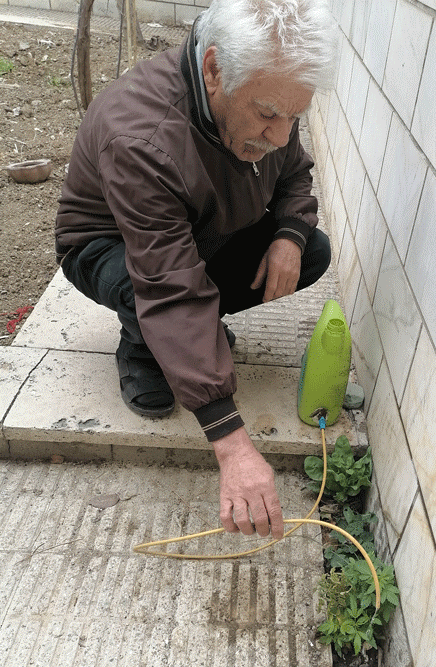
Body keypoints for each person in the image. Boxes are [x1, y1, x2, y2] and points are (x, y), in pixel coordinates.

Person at [54, 0, 337, 542]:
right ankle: (144, 347)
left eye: (294, 116)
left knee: (313, 252)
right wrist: (231, 444)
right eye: (268, 114)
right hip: (110, 244)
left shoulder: (266, 91)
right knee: (156, 297)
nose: (281, 135)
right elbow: (170, 282)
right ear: (213, 71)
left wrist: (290, 235)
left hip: (202, 227)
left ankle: (185, 345)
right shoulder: (141, 134)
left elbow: (294, 173)